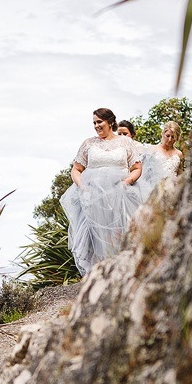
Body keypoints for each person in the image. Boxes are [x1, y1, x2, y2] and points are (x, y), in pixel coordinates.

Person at [60, 108, 145, 275]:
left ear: (110, 122)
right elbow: (76, 169)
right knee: (94, 236)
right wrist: (82, 185)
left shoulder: (125, 143)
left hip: (120, 195)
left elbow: (136, 168)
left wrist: (127, 181)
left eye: (99, 122)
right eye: (94, 123)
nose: (96, 126)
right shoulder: (88, 144)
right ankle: (99, 274)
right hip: (93, 197)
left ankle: (122, 271)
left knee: (120, 232)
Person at [136, 120, 184, 201]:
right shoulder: (153, 149)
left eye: (173, 137)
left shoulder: (179, 154)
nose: (169, 139)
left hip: (172, 191)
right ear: (163, 134)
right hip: (154, 189)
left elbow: (180, 174)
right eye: (167, 136)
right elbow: (145, 172)